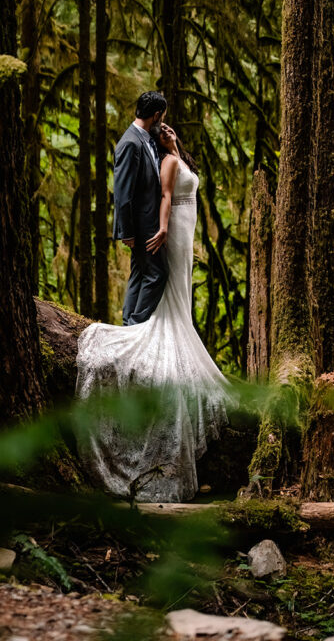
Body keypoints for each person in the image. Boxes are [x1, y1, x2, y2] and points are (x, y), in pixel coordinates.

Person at [75, 110, 230, 502]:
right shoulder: (165, 163)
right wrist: (162, 228)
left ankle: (176, 327)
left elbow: (186, 182)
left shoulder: (174, 154)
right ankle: (146, 329)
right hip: (174, 230)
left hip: (185, 231)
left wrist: (175, 144)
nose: (166, 134)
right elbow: (165, 197)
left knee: (180, 290)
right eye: (163, 130)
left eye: (168, 131)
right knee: (169, 289)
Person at [112, 91, 169, 325]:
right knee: (157, 275)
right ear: (156, 115)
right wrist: (128, 232)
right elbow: (122, 193)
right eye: (162, 117)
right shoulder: (130, 143)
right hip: (141, 226)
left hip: (147, 223)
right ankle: (136, 326)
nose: (163, 121)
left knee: (139, 274)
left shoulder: (145, 138)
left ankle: (128, 325)